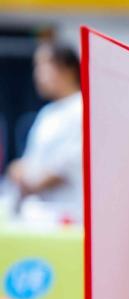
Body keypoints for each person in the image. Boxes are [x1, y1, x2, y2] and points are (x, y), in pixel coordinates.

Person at [6, 40, 82, 223]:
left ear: (67, 68)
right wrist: (19, 170)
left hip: (69, 214)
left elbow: (71, 163)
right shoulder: (47, 113)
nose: (37, 75)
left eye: (43, 66)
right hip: (39, 211)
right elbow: (32, 160)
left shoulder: (82, 108)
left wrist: (33, 182)